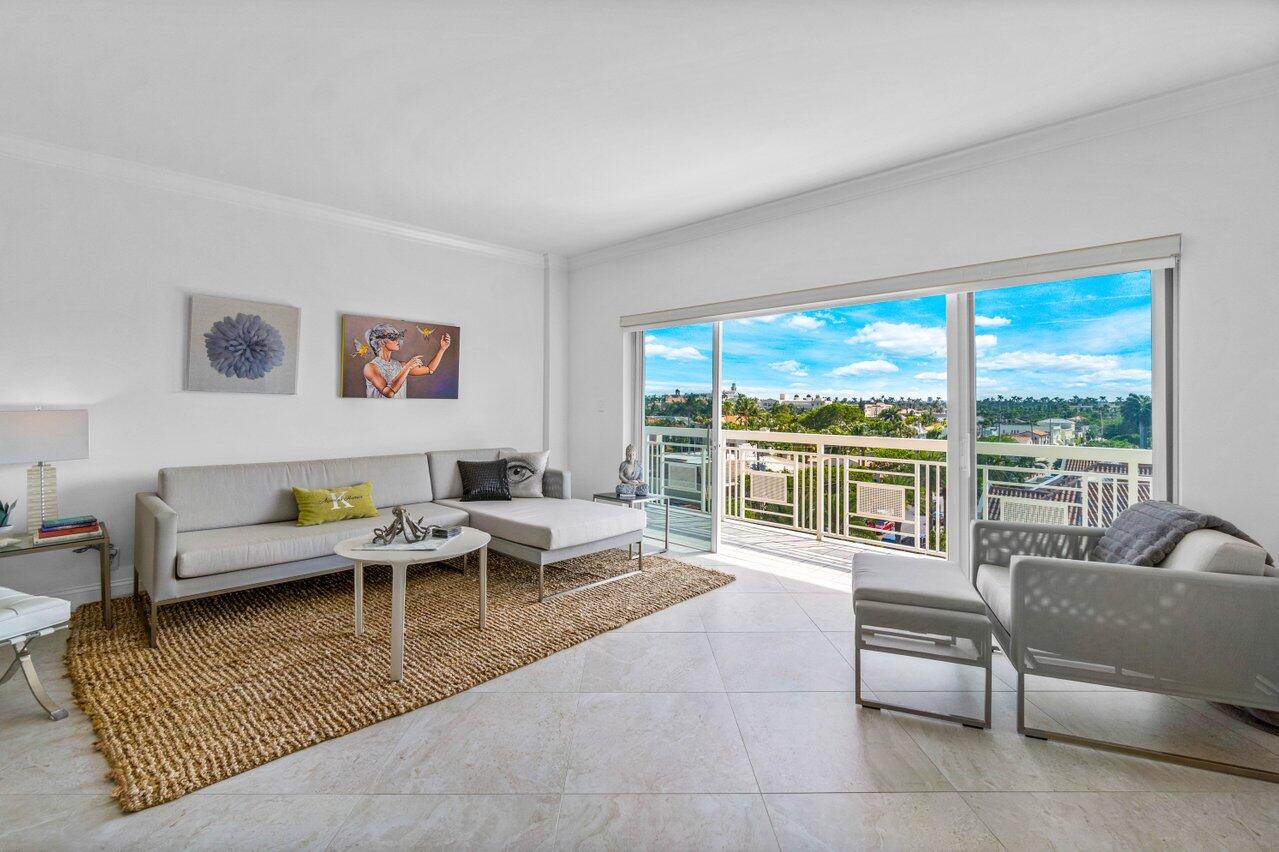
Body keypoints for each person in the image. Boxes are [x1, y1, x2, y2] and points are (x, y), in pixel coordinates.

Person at [362, 323, 451, 399]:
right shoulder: (370, 367)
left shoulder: (399, 364)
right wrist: (407, 367)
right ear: (381, 342)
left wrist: (442, 349)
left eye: (397, 337)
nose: (398, 340)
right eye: (392, 337)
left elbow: (429, 370)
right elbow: (388, 393)